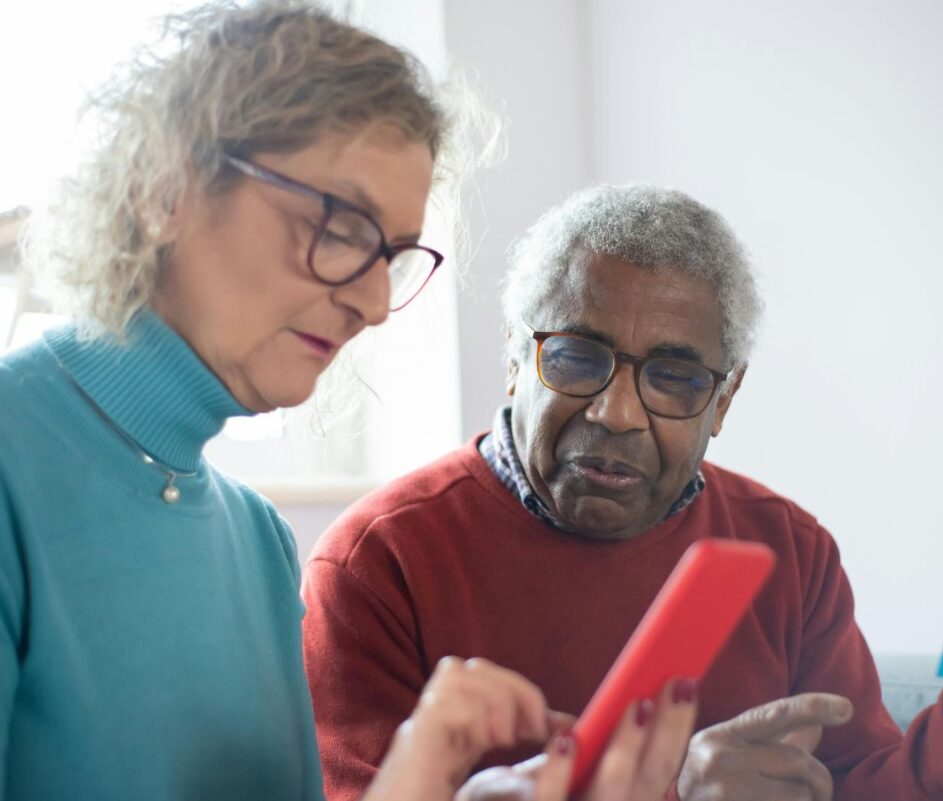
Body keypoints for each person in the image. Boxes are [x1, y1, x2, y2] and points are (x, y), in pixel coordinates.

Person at [0, 4, 697, 800]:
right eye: (339, 226)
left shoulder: (256, 540)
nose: (371, 303)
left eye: (394, 256)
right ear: (166, 187)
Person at [302, 183, 943, 800]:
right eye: (576, 357)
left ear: (723, 402)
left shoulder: (787, 550)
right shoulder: (379, 562)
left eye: (673, 378)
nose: (617, 412)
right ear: (515, 360)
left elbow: (857, 784)